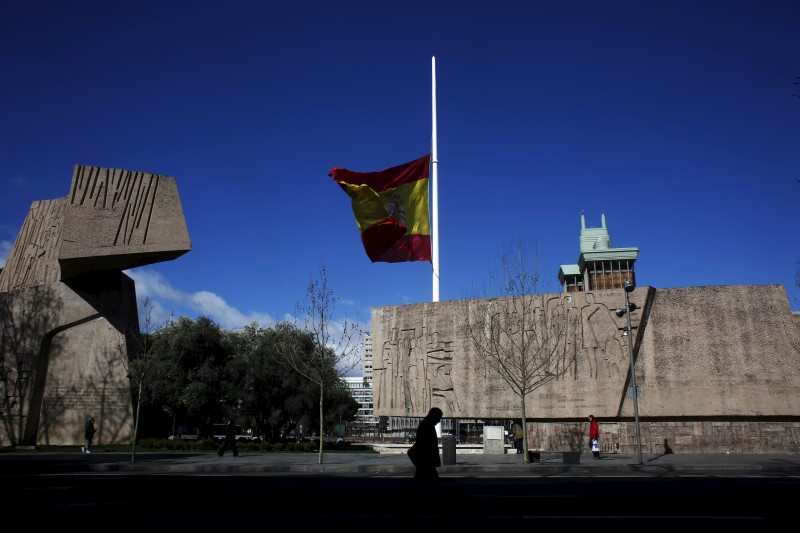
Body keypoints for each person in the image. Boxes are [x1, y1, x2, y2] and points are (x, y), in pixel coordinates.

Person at [406, 407, 443, 496]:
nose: (438, 421)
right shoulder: (426, 426)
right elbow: (426, 444)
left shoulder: (427, 425)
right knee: (433, 482)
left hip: (425, 460)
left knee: (421, 480)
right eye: (438, 418)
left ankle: (407, 497)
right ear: (434, 416)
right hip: (426, 460)